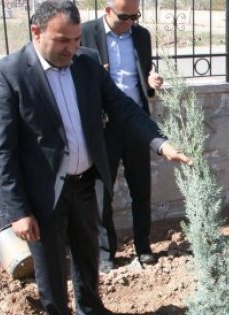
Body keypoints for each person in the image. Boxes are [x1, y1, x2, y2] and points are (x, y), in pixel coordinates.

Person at [0, 0, 190, 315]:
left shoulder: (87, 63)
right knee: (51, 266)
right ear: (36, 32)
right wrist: (18, 211)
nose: (72, 48)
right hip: (43, 195)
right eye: (63, 40)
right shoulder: (8, 74)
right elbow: (2, 152)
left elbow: (124, 107)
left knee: (87, 252)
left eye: (77, 39)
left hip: (84, 182)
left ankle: (90, 308)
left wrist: (160, 142)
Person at [81, 0, 162, 273]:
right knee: (103, 192)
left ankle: (143, 246)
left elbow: (143, 78)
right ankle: (106, 253)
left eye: (135, 16)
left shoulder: (141, 35)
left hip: (136, 121)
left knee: (142, 188)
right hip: (104, 126)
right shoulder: (85, 34)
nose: (130, 22)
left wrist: (151, 84)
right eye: (124, 16)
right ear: (107, 11)